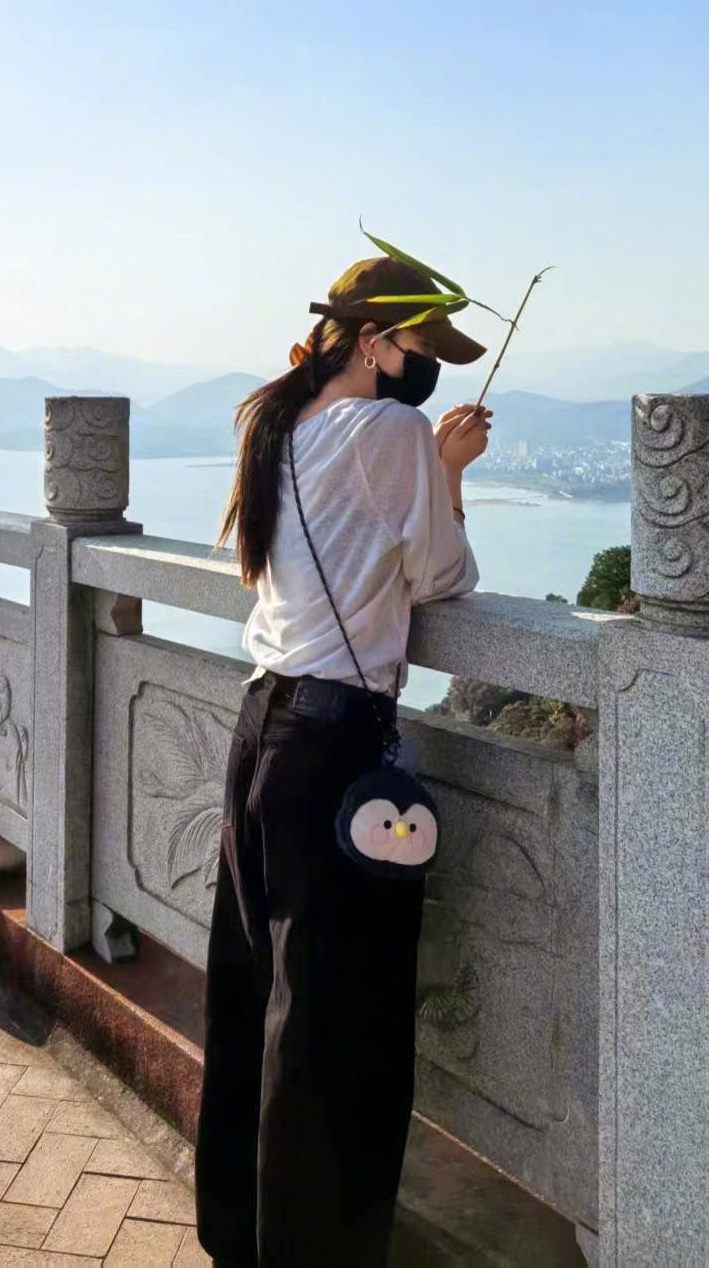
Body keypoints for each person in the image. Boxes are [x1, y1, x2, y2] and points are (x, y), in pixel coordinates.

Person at [196, 250, 493, 1267]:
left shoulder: (274, 420)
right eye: (420, 345)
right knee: (334, 1015)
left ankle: (239, 1230)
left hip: (261, 730)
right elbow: (443, 576)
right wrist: (449, 473)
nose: (427, 367)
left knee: (254, 990)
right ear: (373, 340)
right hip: (332, 744)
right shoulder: (393, 431)